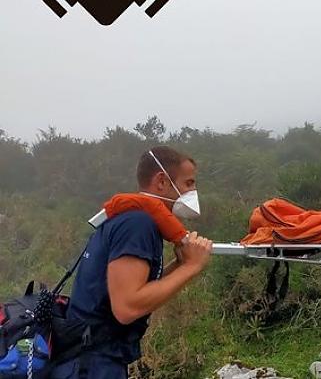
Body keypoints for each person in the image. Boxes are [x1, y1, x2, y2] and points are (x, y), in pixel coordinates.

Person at [51, 146, 213, 379]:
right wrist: (191, 267)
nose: (193, 191)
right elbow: (127, 307)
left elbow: (137, 290)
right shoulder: (137, 224)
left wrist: (180, 264)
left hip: (96, 357)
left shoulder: (134, 219)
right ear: (161, 182)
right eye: (189, 183)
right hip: (93, 364)